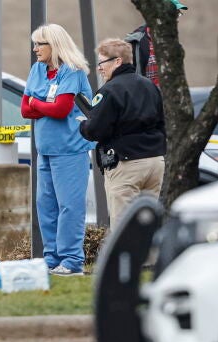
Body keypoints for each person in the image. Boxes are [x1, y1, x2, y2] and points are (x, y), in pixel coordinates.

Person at [20, 23, 95, 276]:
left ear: (54, 45)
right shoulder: (37, 69)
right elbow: (23, 109)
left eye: (39, 44)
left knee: (69, 207)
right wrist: (43, 104)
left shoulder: (72, 71)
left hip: (70, 150)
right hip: (46, 149)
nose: (35, 49)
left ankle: (72, 261)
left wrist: (36, 103)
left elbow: (61, 109)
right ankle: (51, 259)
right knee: (46, 205)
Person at [79, 38, 166, 230]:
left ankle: (126, 261)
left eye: (101, 63)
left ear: (117, 61)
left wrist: (84, 125)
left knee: (123, 227)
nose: (99, 68)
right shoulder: (149, 85)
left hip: (126, 164)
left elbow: (95, 130)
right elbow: (162, 123)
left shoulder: (109, 90)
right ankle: (150, 260)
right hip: (154, 161)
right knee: (148, 223)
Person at [125, 0, 188, 86]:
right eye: (174, 14)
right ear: (159, 14)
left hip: (167, 97)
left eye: (178, 14)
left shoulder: (172, 40)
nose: (177, 19)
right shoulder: (136, 41)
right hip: (146, 96)